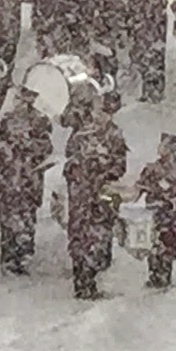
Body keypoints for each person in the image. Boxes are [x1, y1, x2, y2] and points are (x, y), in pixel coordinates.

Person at [64, 91, 128, 299]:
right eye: (98, 112)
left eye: (105, 113)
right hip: (80, 197)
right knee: (78, 238)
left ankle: (90, 279)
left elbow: (120, 167)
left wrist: (102, 170)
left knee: (98, 237)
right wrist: (79, 171)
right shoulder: (82, 135)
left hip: (100, 197)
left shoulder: (115, 135)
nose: (100, 117)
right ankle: (80, 281)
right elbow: (69, 160)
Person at [0, 86, 54, 275]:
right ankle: (8, 258)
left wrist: (28, 145)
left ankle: (23, 256)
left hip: (28, 179)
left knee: (26, 218)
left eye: (20, 99)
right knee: (7, 219)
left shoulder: (40, 120)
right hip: (8, 179)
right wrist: (5, 150)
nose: (16, 102)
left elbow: (46, 147)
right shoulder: (7, 119)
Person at [133, 133, 176, 289]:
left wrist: (172, 203)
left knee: (168, 245)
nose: (160, 148)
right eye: (161, 145)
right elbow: (138, 187)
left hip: (171, 217)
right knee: (152, 245)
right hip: (153, 214)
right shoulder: (151, 168)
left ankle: (164, 276)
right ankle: (154, 275)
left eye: (164, 145)